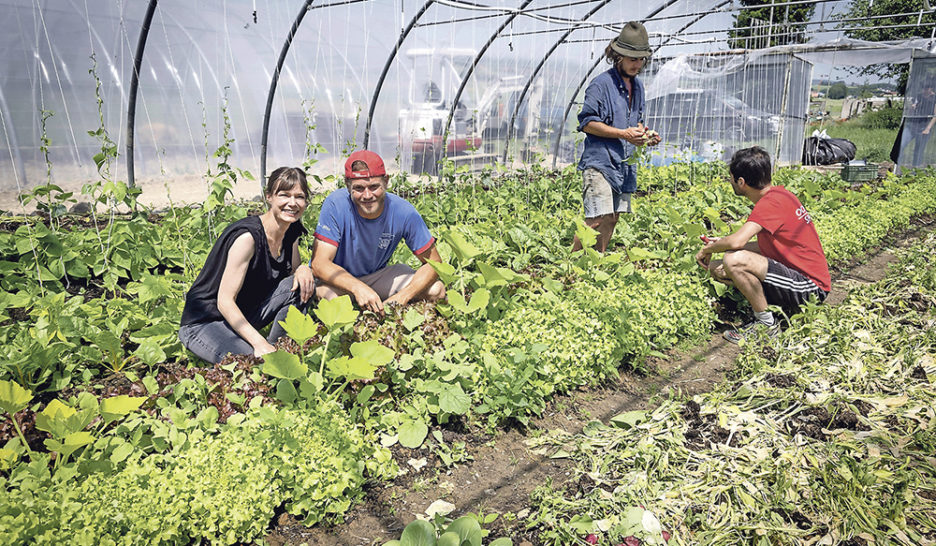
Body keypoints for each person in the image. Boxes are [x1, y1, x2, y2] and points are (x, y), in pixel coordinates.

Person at [695, 147, 831, 344]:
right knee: (719, 267)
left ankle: (766, 325)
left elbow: (737, 241)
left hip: (811, 287)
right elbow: (765, 247)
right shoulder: (781, 195)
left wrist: (708, 249)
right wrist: (721, 245)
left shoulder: (771, 204)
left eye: (731, 178)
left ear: (741, 182)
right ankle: (777, 310)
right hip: (796, 278)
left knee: (733, 260)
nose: (730, 182)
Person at [179, 167, 315, 363]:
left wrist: (303, 269)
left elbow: (294, 274)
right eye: (284, 195)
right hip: (206, 321)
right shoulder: (248, 238)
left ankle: (279, 350)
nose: (292, 203)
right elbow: (224, 301)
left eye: (299, 197)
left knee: (302, 283)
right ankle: (265, 351)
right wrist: (258, 343)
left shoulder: (290, 230)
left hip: (242, 316)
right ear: (269, 197)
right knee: (254, 366)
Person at [311, 150, 445, 314]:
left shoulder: (403, 211)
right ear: (347, 185)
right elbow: (320, 264)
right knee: (330, 299)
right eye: (359, 188)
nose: (367, 195)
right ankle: (359, 329)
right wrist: (357, 287)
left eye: (374, 187)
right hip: (338, 281)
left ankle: (390, 322)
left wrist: (402, 297)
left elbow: (434, 263)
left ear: (386, 181)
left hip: (377, 275)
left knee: (436, 290)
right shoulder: (335, 205)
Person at [572, 21, 661, 253]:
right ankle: (571, 267)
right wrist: (623, 134)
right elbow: (587, 123)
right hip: (601, 162)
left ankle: (595, 262)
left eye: (641, 59)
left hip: (623, 165)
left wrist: (645, 135)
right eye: (632, 58)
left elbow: (635, 123)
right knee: (596, 219)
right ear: (618, 56)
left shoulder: (638, 87)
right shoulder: (600, 85)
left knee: (612, 218)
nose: (637, 64)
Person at [898, 78, 936, 168]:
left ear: (931, 88)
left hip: (924, 127)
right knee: (901, 145)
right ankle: (897, 167)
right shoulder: (918, 97)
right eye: (923, 88)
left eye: (926, 88)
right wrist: (912, 108)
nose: (924, 90)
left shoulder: (934, 98)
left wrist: (927, 129)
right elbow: (911, 112)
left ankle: (915, 169)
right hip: (912, 126)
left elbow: (935, 115)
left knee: (918, 150)